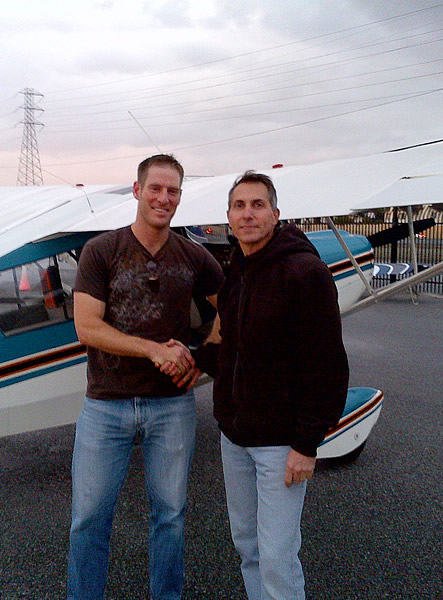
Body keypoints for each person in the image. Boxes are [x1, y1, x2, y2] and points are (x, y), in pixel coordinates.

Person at [67, 154, 224, 600]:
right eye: (155, 188)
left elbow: (233, 308)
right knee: (89, 517)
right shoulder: (102, 251)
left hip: (170, 405)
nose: (164, 198)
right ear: (137, 191)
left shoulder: (194, 256)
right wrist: (154, 349)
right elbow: (87, 327)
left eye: (172, 190)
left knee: (170, 516)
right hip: (105, 403)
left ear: (179, 197)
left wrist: (201, 358)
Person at [194, 171, 348, 600]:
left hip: (280, 444)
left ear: (276, 214)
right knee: (248, 546)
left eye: (257, 205)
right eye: (239, 206)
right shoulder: (236, 272)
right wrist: (191, 359)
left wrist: (306, 443)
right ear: (228, 217)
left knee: (278, 556)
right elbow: (232, 346)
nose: (248, 214)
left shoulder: (305, 272)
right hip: (234, 436)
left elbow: (328, 364)